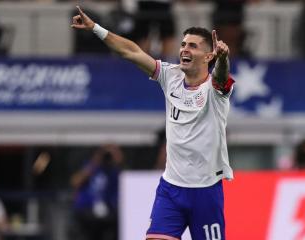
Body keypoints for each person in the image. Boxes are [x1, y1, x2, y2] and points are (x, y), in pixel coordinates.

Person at [71, 5, 234, 240]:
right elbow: (132, 52)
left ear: (208, 56)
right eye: (183, 44)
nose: (184, 49)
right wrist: (96, 28)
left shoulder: (215, 90)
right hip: (171, 188)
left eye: (193, 46)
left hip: (206, 192)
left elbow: (221, 75)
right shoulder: (171, 76)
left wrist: (223, 60)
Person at [70, 145, 124, 240]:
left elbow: (124, 177)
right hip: (87, 210)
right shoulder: (90, 167)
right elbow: (75, 181)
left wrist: (115, 155)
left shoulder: (113, 171)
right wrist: (95, 162)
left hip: (108, 212)